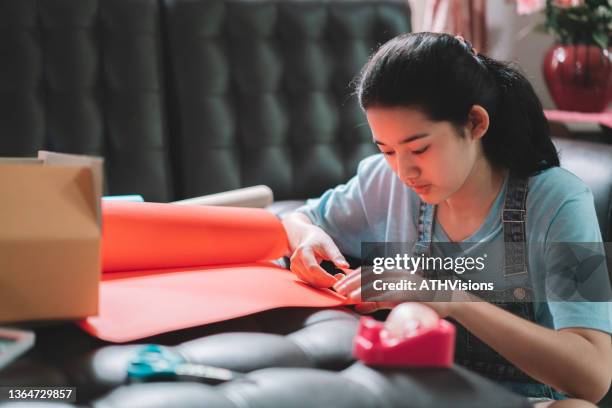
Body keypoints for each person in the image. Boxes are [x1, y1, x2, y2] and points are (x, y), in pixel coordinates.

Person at [281, 32, 611, 404]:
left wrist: (449, 297)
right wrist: (308, 238)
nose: (404, 171)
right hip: (422, 395)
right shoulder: (383, 181)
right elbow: (299, 218)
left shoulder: (559, 200)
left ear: (474, 123)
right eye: (387, 150)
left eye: (418, 148)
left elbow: (595, 375)